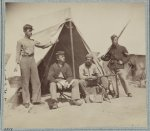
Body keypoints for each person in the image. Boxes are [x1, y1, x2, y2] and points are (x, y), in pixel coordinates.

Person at [14, 24, 54, 108]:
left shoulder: (33, 41)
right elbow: (17, 54)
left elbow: (43, 46)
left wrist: (52, 42)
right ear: (24, 31)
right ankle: (26, 101)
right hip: (24, 60)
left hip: (32, 60)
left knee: (36, 80)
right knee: (25, 81)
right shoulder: (20, 41)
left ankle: (36, 99)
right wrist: (17, 65)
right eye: (29, 30)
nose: (31, 32)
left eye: (31, 30)